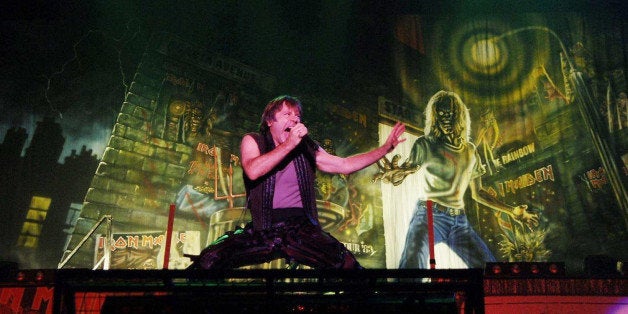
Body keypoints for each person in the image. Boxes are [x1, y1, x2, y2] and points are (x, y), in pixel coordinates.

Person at [190, 95, 406, 270]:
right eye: (287, 114)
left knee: (348, 267)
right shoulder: (253, 140)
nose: (294, 120)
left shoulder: (307, 147)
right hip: (263, 228)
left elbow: (344, 165)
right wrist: (290, 144)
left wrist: (384, 149)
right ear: (270, 121)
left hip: (300, 229)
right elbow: (254, 170)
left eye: (297, 116)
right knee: (210, 260)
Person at [374, 90, 538, 269]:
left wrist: (512, 211)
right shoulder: (426, 144)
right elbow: (407, 169)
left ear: (458, 116)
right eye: (441, 114)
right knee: (411, 270)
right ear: (435, 116)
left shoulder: (470, 151)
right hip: (429, 216)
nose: (445, 119)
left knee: (491, 272)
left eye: (450, 114)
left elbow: (479, 193)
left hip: (459, 221)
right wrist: (396, 174)